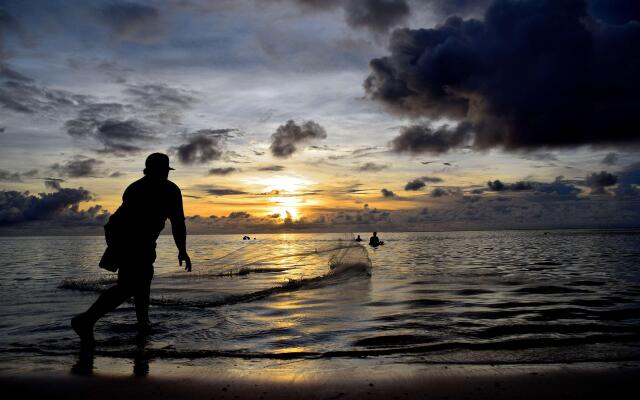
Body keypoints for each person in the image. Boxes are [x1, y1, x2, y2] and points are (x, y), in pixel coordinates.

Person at [71, 153, 191, 345]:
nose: (164, 175)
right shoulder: (142, 190)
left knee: (142, 281)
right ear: (150, 171)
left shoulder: (168, 189)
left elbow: (178, 223)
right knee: (129, 286)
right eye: (161, 171)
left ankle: (143, 324)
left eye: (165, 172)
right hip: (126, 237)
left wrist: (182, 250)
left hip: (140, 239)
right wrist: (119, 247)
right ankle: (86, 320)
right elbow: (135, 223)